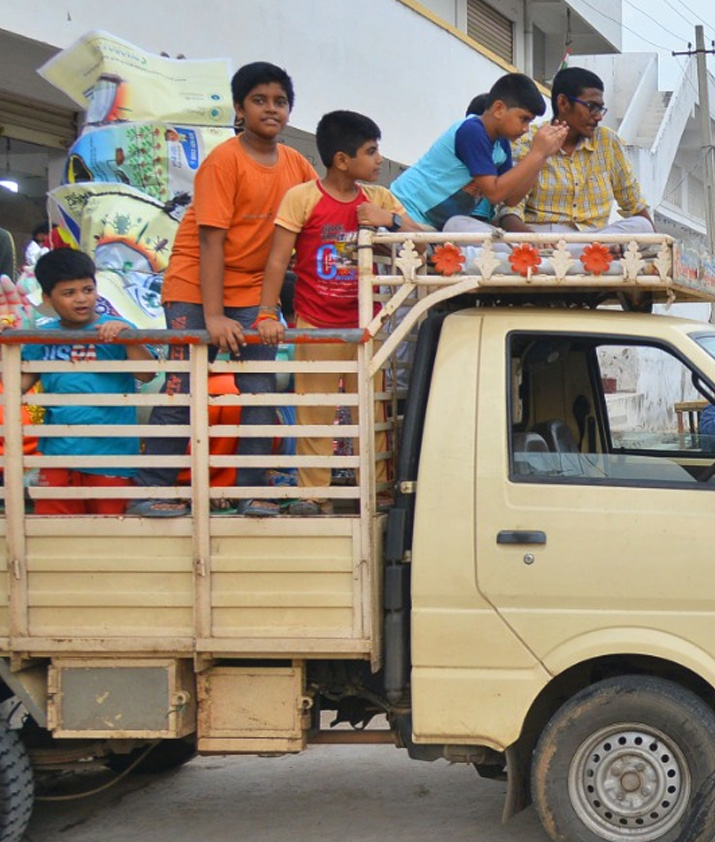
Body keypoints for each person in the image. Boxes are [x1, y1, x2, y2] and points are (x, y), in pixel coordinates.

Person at [128, 61, 318, 518]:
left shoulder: (297, 165)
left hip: (253, 290)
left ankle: (250, 491)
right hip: (195, 284)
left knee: (258, 390)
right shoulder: (223, 162)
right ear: (239, 108)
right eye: (260, 100)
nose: (271, 109)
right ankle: (150, 488)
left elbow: (314, 221)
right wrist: (213, 317)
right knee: (184, 384)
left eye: (280, 101)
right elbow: (211, 242)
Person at [260, 110, 422, 515]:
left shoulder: (379, 199)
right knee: (314, 409)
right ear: (341, 160)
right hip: (316, 322)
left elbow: (424, 246)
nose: (380, 160)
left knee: (373, 409)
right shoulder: (303, 198)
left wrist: (391, 221)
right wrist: (266, 313)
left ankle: (380, 490)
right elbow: (278, 261)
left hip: (367, 323)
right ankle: (312, 494)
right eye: (371, 152)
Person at [6, 249, 153, 514]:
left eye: (87, 289)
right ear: (48, 299)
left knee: (113, 528)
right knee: (55, 530)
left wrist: (128, 337)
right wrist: (8, 344)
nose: (81, 299)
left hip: (113, 455)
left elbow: (147, 373)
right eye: (69, 293)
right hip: (58, 454)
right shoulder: (43, 337)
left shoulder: (115, 329)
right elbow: (19, 384)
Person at [390, 73, 566, 230]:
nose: (526, 128)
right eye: (523, 119)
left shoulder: (501, 143)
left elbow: (511, 199)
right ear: (498, 109)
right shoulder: (472, 131)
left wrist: (543, 156)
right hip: (405, 210)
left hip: (429, 225)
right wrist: (536, 153)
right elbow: (495, 193)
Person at [494, 67, 654, 237]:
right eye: (591, 106)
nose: (598, 116)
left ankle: (600, 249)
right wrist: (536, 242)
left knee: (641, 225)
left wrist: (660, 251)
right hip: (543, 236)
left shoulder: (607, 141)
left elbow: (634, 204)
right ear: (563, 103)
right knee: (468, 226)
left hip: (595, 238)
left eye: (600, 109)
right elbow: (509, 212)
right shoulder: (528, 140)